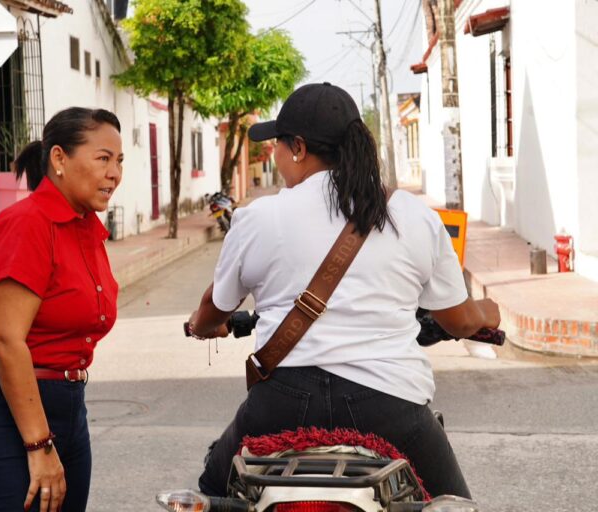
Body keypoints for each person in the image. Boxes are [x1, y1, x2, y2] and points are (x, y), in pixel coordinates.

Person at [188, 83, 501, 499]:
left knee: (212, 489)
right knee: (455, 505)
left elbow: (215, 307)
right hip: (390, 407)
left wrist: (203, 325)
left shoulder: (259, 217)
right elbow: (458, 319)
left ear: (297, 147)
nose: (276, 156)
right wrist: (488, 312)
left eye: (278, 145)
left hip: (281, 407)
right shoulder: (408, 213)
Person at [0, 107, 124, 512]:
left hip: (68, 410)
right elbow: (5, 340)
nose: (114, 173)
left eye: (120, 160)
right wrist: (39, 443)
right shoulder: (27, 224)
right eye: (103, 158)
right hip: (0, 417)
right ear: (59, 158)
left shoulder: (87, 231)